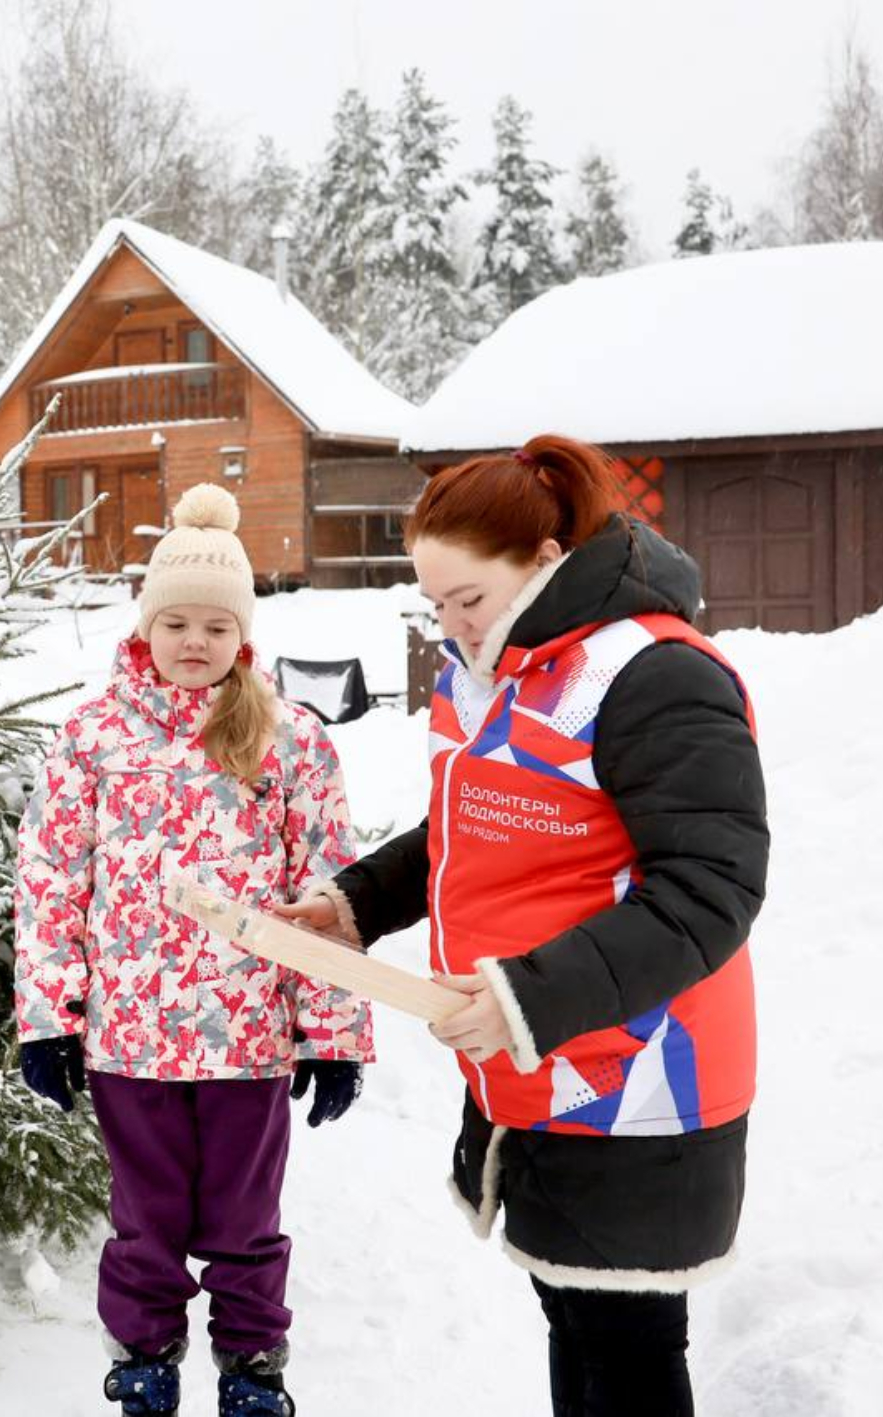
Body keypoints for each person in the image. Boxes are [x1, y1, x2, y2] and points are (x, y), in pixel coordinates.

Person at [276, 434, 767, 1417]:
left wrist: (520, 998)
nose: (452, 626)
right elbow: (467, 828)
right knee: (572, 1318)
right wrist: (356, 900)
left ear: (545, 562)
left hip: (637, 1080)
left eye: (468, 599)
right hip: (533, 1062)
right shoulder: (502, 666)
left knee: (623, 1346)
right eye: (435, 604)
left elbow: (709, 889)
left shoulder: (654, 676)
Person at [14, 484, 374, 1417]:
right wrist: (49, 1021)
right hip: (128, 1042)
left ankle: (252, 1361)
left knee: (246, 1222)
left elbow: (329, 895)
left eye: (217, 625)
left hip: (246, 1037)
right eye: (175, 621)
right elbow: (51, 885)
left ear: (243, 635)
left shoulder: (289, 740)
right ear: (144, 625)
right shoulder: (91, 740)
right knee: (145, 1221)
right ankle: (143, 1352)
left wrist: (332, 1033)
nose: (194, 642)